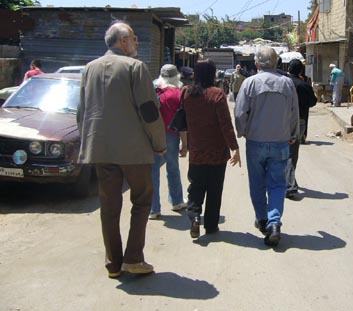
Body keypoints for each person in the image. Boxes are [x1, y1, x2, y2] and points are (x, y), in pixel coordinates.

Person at [77, 20, 166, 278]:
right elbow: (149, 112)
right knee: (142, 200)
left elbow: (81, 112)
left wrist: (87, 144)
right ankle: (134, 258)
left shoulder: (89, 69)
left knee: (109, 206)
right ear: (123, 41)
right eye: (134, 37)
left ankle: (113, 263)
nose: (136, 42)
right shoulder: (135, 67)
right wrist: (159, 144)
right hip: (133, 151)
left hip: (101, 150)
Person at [234, 47, 299, 247]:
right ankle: (274, 222)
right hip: (280, 141)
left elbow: (239, 113)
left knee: (257, 183)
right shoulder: (287, 83)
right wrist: (293, 134)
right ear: (276, 62)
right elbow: (294, 112)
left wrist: (242, 131)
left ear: (257, 63)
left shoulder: (250, 83)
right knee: (278, 184)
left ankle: (263, 220)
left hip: (255, 142)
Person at [183, 59, 240, 239]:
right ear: (213, 73)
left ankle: (194, 217)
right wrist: (234, 147)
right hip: (217, 152)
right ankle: (211, 225)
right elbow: (225, 124)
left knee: (196, 187)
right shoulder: (217, 94)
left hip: (197, 151)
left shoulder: (186, 93)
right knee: (215, 190)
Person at [149, 64, 188, 220]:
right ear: (176, 76)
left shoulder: (152, 89)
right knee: (172, 167)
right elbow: (182, 123)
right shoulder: (177, 93)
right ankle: (177, 201)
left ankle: (153, 209)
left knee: (153, 171)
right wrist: (185, 145)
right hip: (171, 135)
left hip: (152, 135)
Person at [285, 59, 317, 198]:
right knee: (292, 153)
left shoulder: (283, 82)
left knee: (284, 152)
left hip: (283, 120)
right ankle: (290, 185)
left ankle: (287, 181)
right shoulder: (304, 85)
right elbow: (313, 102)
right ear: (300, 71)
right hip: (300, 121)